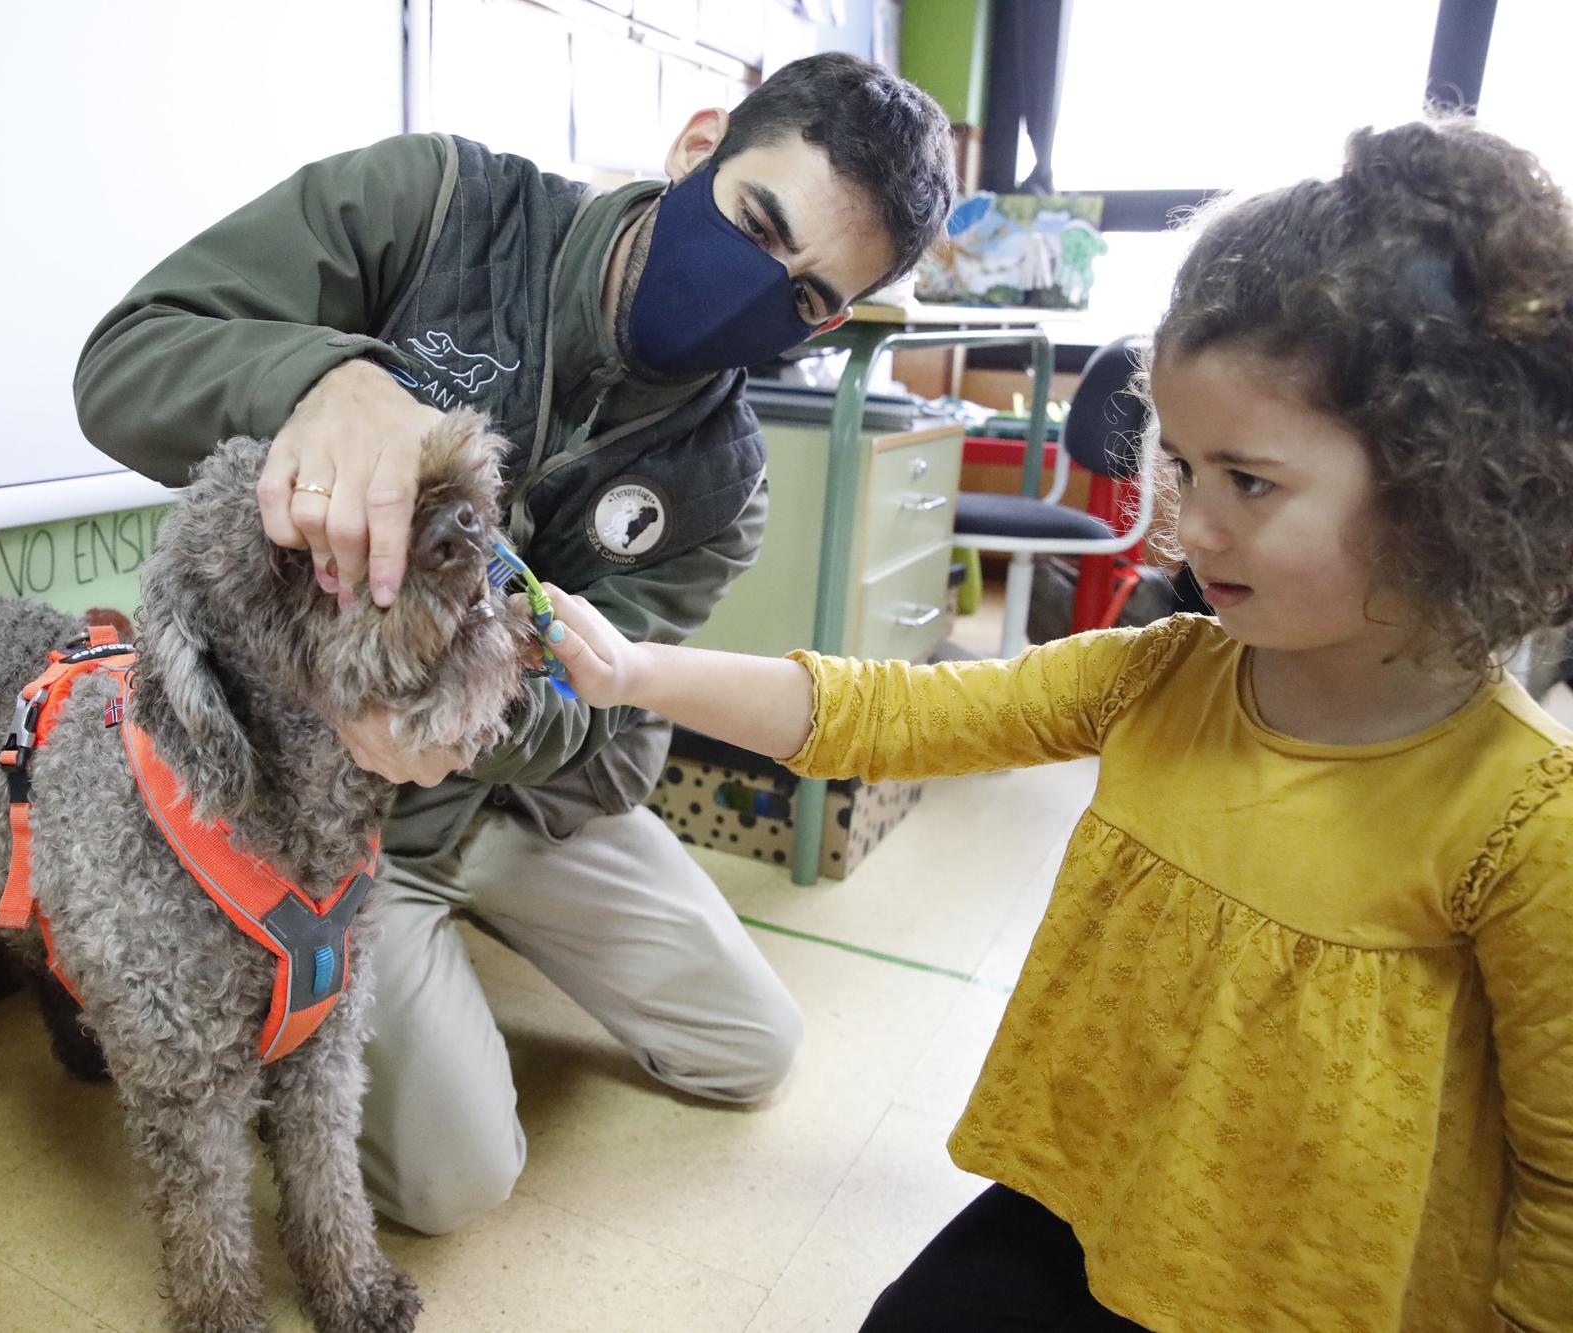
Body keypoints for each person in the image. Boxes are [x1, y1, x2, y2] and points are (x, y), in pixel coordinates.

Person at [535, 116, 1573, 1331]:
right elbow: (894, 710)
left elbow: (1558, 1189)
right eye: (1178, 464)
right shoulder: (1159, 675)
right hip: (1088, 1203)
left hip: (1309, 1289)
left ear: (1439, 488)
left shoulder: (1519, 825)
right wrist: (636, 669)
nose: (1187, 524)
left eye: (1249, 481)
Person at [73, 52, 957, 1234]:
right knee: (451, 1185)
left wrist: (469, 721)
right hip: (321, 804)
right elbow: (125, 356)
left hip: (517, 799)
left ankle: (458, 926)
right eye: (754, 223)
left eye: (802, 298)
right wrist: (318, 379)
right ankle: (323, 978)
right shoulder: (431, 206)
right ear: (699, 146)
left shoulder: (721, 478)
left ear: (835, 319)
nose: (757, 290)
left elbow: (596, 698)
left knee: (751, 1048)